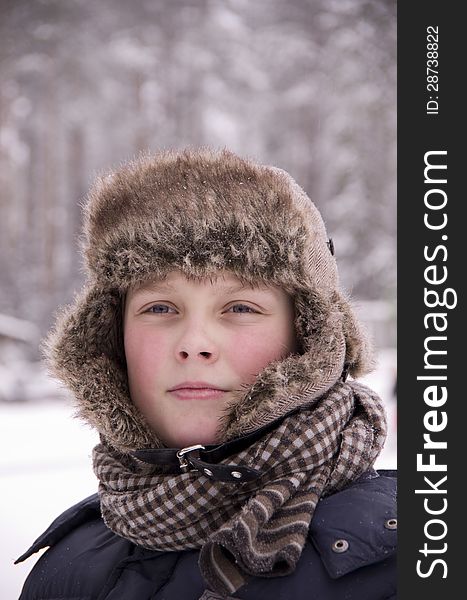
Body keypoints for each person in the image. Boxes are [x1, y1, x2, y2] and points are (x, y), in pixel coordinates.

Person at [16, 148, 396, 599]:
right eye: (159, 307)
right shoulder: (67, 564)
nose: (194, 342)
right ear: (111, 338)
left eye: (240, 307)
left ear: (310, 337)